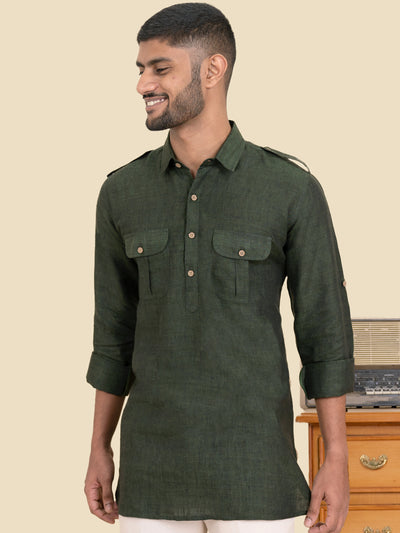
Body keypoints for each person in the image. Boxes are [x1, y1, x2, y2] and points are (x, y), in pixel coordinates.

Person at [84, 3, 354, 533]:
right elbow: (112, 335)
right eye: (140, 69)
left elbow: (324, 332)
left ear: (213, 69)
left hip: (258, 473)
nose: (143, 84)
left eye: (160, 68)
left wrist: (336, 457)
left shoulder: (290, 188)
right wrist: (98, 447)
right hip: (151, 477)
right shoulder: (122, 192)